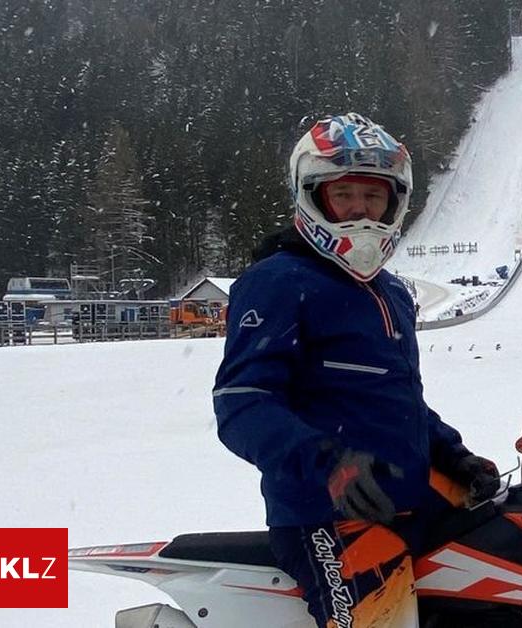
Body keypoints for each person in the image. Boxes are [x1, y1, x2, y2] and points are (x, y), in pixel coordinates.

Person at [212, 113, 499, 627]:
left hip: (409, 502)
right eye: (345, 195)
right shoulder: (277, 282)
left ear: (396, 202)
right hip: (325, 517)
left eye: (374, 196)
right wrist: (329, 463)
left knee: (494, 591)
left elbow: (397, 400)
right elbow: (242, 402)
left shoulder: (390, 291)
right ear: (314, 196)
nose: (361, 211)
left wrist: (454, 455)